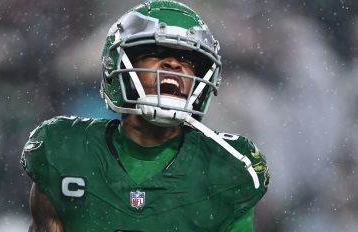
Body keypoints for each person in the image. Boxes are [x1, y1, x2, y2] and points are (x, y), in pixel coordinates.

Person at [21, 0, 270, 231]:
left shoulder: (228, 165)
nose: (173, 65)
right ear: (118, 65)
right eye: (157, 52)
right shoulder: (65, 149)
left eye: (188, 59)